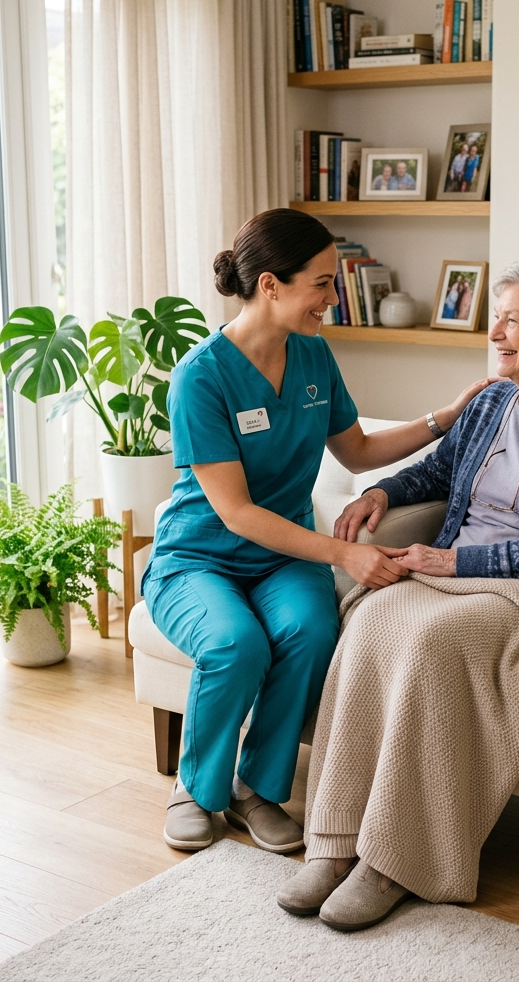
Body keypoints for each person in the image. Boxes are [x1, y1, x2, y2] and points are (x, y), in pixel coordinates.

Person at [276, 254, 519, 930]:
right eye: (494, 319)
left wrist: (453, 559)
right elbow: (438, 470)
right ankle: (335, 840)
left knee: (435, 640)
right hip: (446, 568)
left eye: (512, 321)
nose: (495, 333)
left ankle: (395, 860)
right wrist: (383, 490)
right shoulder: (493, 401)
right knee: (371, 621)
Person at [144, 208, 495, 854]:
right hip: (200, 559)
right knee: (234, 644)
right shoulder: (201, 377)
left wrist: (442, 419)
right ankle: (196, 788)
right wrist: (344, 554)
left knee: (310, 631)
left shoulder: (312, 356)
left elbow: (357, 450)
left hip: (280, 562)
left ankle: (256, 789)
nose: (332, 301)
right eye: (323, 284)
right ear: (271, 285)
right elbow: (238, 514)